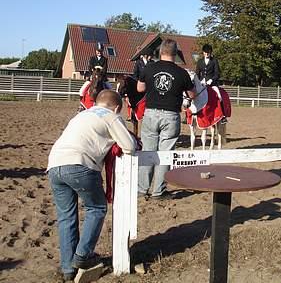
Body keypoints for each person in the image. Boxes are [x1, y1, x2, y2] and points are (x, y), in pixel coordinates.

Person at [47, 90, 136, 281]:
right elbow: (129, 145)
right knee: (96, 208)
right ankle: (82, 256)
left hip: (54, 164)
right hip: (81, 164)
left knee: (66, 217)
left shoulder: (81, 114)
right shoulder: (111, 116)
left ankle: (67, 268)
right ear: (118, 107)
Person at [137, 39, 196, 199]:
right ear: (175, 53)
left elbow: (140, 88)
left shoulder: (149, 68)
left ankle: (141, 189)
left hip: (150, 113)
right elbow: (192, 94)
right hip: (170, 115)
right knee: (166, 154)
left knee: (147, 151)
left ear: (160, 51)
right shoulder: (181, 72)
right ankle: (158, 191)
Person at [195, 44, 228, 124]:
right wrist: (199, 81)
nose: (206, 54)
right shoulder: (200, 61)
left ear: (210, 52)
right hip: (202, 84)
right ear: (203, 52)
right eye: (205, 52)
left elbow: (217, 74)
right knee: (192, 95)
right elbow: (197, 73)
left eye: (208, 52)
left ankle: (223, 116)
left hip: (212, 84)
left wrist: (211, 80)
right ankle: (190, 115)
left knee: (219, 96)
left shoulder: (214, 61)